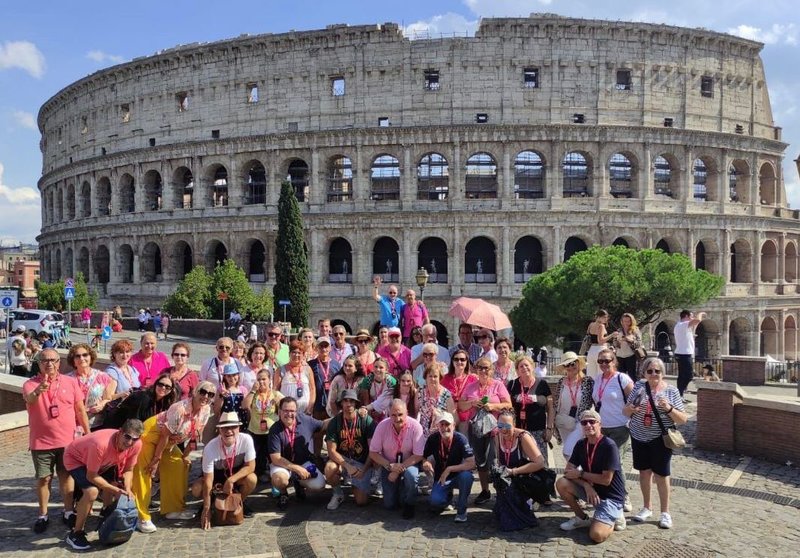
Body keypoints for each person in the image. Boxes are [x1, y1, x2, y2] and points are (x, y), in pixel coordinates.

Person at [23, 348, 90, 533]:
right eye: (44, 360)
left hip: (67, 442)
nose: (49, 363)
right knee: (44, 478)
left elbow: (80, 410)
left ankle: (68, 512)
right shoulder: (30, 384)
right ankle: (43, 515)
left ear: (59, 362)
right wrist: (39, 390)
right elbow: (29, 399)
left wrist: (88, 433)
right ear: (39, 363)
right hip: (41, 442)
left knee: (66, 477)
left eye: (53, 360)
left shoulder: (71, 382)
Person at [132, 382, 215, 532]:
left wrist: (186, 455)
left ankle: (173, 509)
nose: (206, 396)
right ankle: (141, 516)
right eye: (203, 392)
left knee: (179, 465)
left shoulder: (206, 410)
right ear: (195, 391)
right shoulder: (180, 408)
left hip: (169, 442)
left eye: (211, 394)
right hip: (152, 436)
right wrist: (156, 460)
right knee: (146, 471)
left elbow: (195, 435)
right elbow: (164, 435)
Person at [624, 357, 687, 529]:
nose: (653, 374)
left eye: (657, 371)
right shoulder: (638, 387)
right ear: (644, 373)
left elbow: (683, 419)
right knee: (644, 473)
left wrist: (668, 408)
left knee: (661, 475)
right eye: (650, 371)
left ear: (662, 373)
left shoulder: (671, 391)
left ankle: (665, 512)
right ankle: (647, 507)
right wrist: (631, 409)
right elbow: (625, 411)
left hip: (660, 438)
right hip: (639, 436)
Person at [63, 420, 143, 550]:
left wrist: (127, 489)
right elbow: (91, 476)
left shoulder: (137, 445)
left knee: (116, 483)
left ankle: (106, 512)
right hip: (76, 459)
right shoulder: (100, 444)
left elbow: (129, 469)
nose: (129, 442)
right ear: (120, 432)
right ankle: (75, 533)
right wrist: (114, 489)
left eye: (134, 439)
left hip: (105, 460)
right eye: (127, 437)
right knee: (92, 492)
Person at [557, 410, 627, 542]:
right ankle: (581, 519)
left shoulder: (609, 445)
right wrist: (586, 484)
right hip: (591, 491)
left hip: (610, 497)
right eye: (584, 422)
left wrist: (581, 474)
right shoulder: (581, 444)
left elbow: (606, 480)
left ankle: (615, 517)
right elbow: (568, 472)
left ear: (600, 424)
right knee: (562, 482)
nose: (588, 425)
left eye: (592, 422)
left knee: (596, 536)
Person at [457, 357, 512, 505]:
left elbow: (508, 404)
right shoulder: (470, 387)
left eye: (486, 368)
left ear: (492, 370)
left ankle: (501, 491)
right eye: (480, 367)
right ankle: (485, 491)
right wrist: (472, 403)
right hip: (476, 430)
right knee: (480, 461)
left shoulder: (498, 385)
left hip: (495, 430)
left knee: (495, 461)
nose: (483, 371)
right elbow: (461, 406)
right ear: (475, 369)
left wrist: (493, 407)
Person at [192, 411, 257, 529]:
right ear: (219, 430)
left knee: (252, 479)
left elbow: (251, 466)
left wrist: (231, 480)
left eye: (233, 427)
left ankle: (237, 503)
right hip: (215, 478)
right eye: (225, 428)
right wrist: (206, 509)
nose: (229, 431)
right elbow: (208, 481)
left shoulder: (246, 439)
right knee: (196, 488)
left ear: (239, 428)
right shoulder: (210, 447)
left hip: (235, 475)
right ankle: (211, 504)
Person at [592, 347, 634, 512]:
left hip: (619, 427)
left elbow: (635, 398)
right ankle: (607, 493)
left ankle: (623, 496)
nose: (603, 364)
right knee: (603, 463)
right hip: (602, 428)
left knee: (617, 464)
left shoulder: (622, 378)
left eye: (607, 361)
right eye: (600, 361)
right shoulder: (598, 379)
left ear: (614, 362)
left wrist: (629, 414)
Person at [368, 399, 425, 519]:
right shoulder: (382, 426)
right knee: (390, 505)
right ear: (388, 413)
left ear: (407, 413)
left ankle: (410, 504)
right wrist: (390, 466)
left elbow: (419, 455)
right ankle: (400, 489)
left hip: (409, 464)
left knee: (411, 475)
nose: (397, 418)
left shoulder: (416, 426)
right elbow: (373, 453)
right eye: (393, 415)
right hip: (388, 465)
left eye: (400, 415)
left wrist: (398, 469)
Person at [268, 396, 327, 510]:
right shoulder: (274, 430)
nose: (289, 414)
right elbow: (276, 458)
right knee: (280, 479)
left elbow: (323, 424)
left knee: (319, 486)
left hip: (303, 462)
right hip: (282, 465)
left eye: (292, 411)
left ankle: (298, 483)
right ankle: (283, 493)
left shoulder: (305, 420)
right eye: (285, 411)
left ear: (296, 411)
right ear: (279, 412)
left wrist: (340, 417)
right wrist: (296, 468)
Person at [493, 409, 547, 531]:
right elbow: (501, 460)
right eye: (500, 425)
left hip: (525, 478)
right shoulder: (497, 435)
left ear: (514, 424)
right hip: (508, 477)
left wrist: (514, 471)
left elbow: (540, 463)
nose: (503, 430)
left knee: (511, 520)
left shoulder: (523, 437)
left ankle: (529, 504)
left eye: (507, 426)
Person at [324, 389, 376, 509]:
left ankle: (358, 483)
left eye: (352, 401)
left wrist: (364, 469)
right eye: (345, 401)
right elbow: (331, 451)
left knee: (361, 501)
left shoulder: (365, 420)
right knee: (329, 468)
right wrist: (347, 466)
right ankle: (338, 494)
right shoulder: (335, 422)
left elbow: (373, 450)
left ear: (356, 403)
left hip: (362, 462)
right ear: (341, 403)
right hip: (342, 460)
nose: (348, 404)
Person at [422, 411, 474, 522]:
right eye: (442, 424)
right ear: (437, 426)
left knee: (467, 477)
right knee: (435, 502)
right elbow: (423, 457)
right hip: (441, 478)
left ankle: (461, 510)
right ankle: (447, 499)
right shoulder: (433, 438)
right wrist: (425, 463)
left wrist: (450, 469)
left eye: (447, 424)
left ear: (454, 425)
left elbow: (472, 463)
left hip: (458, 476)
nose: (445, 428)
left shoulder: (461, 439)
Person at [507, 355, 554, 462]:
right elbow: (508, 407)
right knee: (522, 463)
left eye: (526, 365)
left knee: (541, 463)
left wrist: (550, 428)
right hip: (519, 431)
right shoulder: (512, 385)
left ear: (532, 367)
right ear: (517, 370)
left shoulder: (542, 384)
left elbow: (550, 408)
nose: (524, 368)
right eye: (521, 366)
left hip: (538, 431)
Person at [552, 352, 595, 458]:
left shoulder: (588, 381)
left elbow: (596, 399)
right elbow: (555, 403)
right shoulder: (561, 382)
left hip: (581, 422)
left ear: (578, 363)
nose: (571, 367)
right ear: (564, 368)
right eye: (567, 365)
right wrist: (551, 423)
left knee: (568, 450)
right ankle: (577, 473)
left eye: (573, 363)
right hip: (564, 421)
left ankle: (575, 472)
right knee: (572, 451)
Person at [243, 370, 283, 480]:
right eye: (259, 379)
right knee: (257, 454)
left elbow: (287, 405)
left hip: (271, 431)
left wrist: (280, 403)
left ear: (269, 380)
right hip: (255, 430)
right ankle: (259, 474)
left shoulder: (275, 393)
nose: (261, 382)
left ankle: (274, 476)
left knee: (272, 454)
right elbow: (244, 405)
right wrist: (252, 391)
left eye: (264, 379)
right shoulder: (254, 394)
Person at [67, 343, 116, 431]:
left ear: (91, 357)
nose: (81, 358)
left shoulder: (103, 376)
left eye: (85, 355)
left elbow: (108, 398)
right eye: (77, 356)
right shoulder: (67, 379)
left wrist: (102, 404)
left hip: (96, 424)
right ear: (73, 360)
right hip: (74, 425)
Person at [103, 372, 177, 429]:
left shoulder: (165, 402)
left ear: (171, 390)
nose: (163, 388)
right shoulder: (143, 398)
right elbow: (134, 423)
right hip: (117, 427)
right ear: (155, 384)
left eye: (167, 387)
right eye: (160, 384)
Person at [441, 349, 478, 435]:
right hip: (449, 414)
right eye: (456, 359)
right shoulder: (445, 379)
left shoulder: (473, 379)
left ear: (467, 362)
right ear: (452, 361)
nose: (459, 361)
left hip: (467, 415)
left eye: (462, 359)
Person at [274, 340, 316, 415]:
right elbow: (275, 391)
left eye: (299, 353)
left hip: (305, 412)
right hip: (287, 413)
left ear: (303, 355)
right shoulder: (280, 370)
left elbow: (312, 390)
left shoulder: (308, 369)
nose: (296, 355)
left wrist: (310, 408)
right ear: (289, 354)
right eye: (294, 352)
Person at [417, 364, 457, 438]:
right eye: (430, 376)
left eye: (435, 376)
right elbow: (416, 412)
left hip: (440, 434)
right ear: (425, 377)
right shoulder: (419, 391)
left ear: (440, 378)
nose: (432, 379)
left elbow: (454, 418)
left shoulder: (446, 394)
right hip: (422, 434)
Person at [674, 309, 706, 399]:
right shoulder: (682, 325)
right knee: (689, 376)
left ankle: (680, 395)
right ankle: (680, 393)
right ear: (687, 316)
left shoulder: (680, 326)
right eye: (691, 316)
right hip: (684, 354)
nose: (692, 318)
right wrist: (700, 313)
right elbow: (698, 320)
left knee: (681, 376)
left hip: (681, 353)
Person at [359, 357, 396, 422]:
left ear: (386, 370)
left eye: (381, 367)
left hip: (387, 409)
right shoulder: (367, 380)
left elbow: (391, 401)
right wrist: (369, 416)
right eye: (375, 367)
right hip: (371, 408)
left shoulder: (391, 382)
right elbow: (366, 401)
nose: (378, 369)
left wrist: (379, 411)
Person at [586, 310, 618, 376]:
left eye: (606, 317)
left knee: (590, 374)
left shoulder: (591, 325)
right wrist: (612, 335)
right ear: (598, 317)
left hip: (591, 350)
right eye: (604, 317)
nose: (606, 319)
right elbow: (600, 341)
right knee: (601, 373)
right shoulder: (601, 326)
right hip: (600, 349)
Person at [613, 313, 643, 382]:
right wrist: (618, 342)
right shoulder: (619, 331)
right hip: (619, 356)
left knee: (632, 376)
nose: (626, 323)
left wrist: (629, 340)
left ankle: (633, 391)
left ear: (631, 321)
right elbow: (614, 344)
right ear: (622, 322)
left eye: (628, 321)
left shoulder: (635, 331)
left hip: (631, 356)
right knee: (620, 377)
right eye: (624, 321)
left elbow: (639, 344)